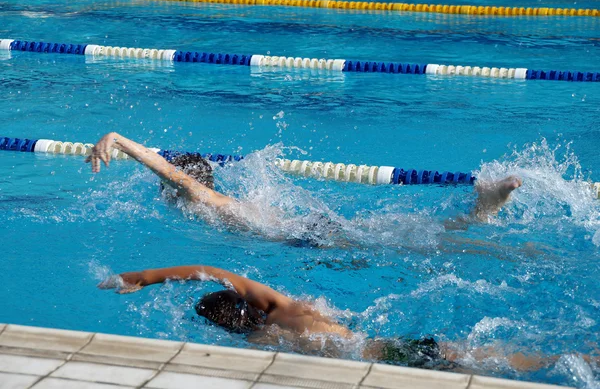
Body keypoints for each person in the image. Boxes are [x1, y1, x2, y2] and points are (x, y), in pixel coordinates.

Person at [98, 263, 574, 372]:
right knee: (488, 360)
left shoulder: (258, 344)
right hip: (385, 349)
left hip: (371, 365)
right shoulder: (286, 307)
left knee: (481, 364)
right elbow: (212, 270)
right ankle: (571, 358)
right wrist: (145, 276)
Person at [86, 132, 523, 245]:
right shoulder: (219, 199)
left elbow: (170, 173)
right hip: (304, 230)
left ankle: (481, 212)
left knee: (411, 243)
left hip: (305, 238)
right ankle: (481, 210)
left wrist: (118, 140)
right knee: (403, 233)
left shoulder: (203, 199)